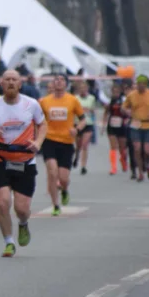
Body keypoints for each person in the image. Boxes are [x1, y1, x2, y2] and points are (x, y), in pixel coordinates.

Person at [0, 70, 47, 258]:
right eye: (6, 79)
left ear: (20, 84)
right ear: (1, 83)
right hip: (1, 160)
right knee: (2, 203)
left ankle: (23, 224)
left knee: (22, 210)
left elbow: (43, 124)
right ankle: (8, 242)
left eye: (14, 79)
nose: (10, 82)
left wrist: (38, 143)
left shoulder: (31, 104)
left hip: (25, 161)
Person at [38, 74, 85, 215]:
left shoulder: (72, 100)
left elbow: (83, 120)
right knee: (52, 173)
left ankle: (64, 190)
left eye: (62, 80)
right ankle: (55, 205)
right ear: (53, 83)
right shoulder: (44, 101)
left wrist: (76, 129)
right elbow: (38, 121)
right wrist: (37, 138)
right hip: (49, 141)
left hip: (66, 142)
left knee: (63, 178)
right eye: (56, 79)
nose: (58, 82)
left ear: (66, 84)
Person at [123, 75, 149, 181]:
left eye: (143, 84)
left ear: (146, 85)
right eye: (139, 84)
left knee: (147, 151)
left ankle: (147, 165)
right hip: (136, 125)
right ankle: (140, 172)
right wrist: (127, 111)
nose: (141, 86)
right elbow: (124, 107)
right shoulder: (131, 95)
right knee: (137, 148)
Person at [103, 82, 129, 176]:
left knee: (122, 148)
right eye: (113, 91)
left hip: (122, 125)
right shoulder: (109, 101)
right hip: (111, 125)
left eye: (117, 91)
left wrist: (126, 116)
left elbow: (128, 112)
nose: (115, 93)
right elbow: (106, 113)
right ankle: (113, 167)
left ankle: (123, 160)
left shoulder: (124, 100)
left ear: (120, 91)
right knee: (113, 147)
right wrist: (103, 125)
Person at [74, 79, 97, 175]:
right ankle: (76, 156)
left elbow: (93, 111)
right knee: (78, 146)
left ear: (87, 89)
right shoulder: (75, 98)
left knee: (85, 145)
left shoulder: (91, 98)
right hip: (78, 124)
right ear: (78, 89)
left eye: (84, 88)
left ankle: (83, 166)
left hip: (88, 123)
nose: (82, 90)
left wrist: (90, 111)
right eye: (81, 88)